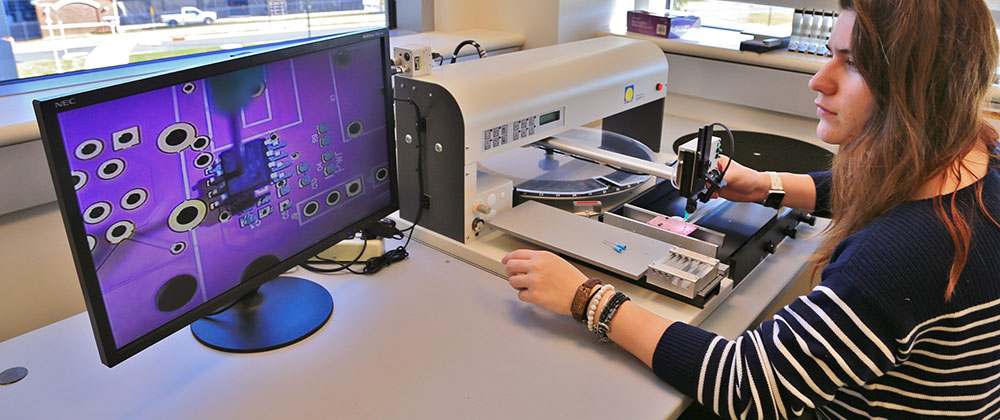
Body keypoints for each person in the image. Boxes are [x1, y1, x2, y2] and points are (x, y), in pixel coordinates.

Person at [502, 1, 1000, 419]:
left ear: (921, 89)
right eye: (829, 55)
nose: (818, 81)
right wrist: (768, 186)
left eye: (854, 65)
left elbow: (746, 383)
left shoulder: (901, 255)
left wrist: (586, 298)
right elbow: (887, 185)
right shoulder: (982, 160)